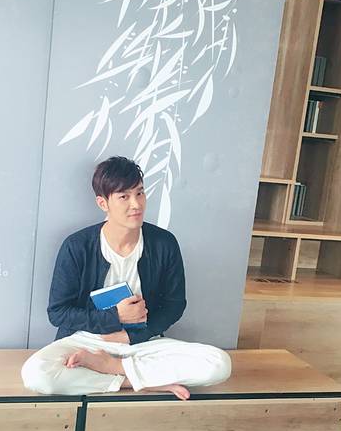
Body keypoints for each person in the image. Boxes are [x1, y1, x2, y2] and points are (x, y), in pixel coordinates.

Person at [21, 156, 231, 399]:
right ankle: (135, 380)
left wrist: (132, 336)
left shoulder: (164, 243)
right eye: (124, 196)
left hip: (143, 342)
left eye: (140, 193)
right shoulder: (77, 246)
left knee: (218, 363)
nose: (136, 204)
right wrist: (115, 317)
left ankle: (113, 369)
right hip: (87, 341)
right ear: (103, 203)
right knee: (36, 374)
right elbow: (58, 312)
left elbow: (174, 305)